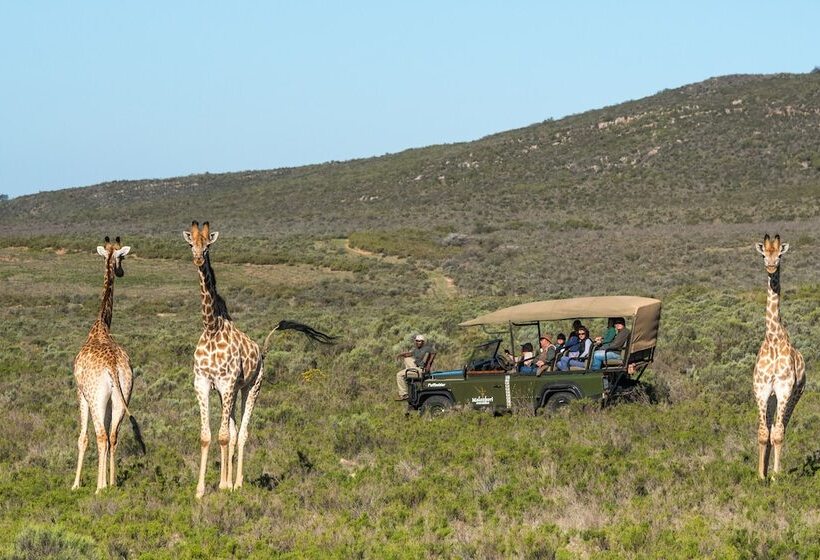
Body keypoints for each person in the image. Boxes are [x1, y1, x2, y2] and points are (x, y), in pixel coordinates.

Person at [395, 334, 433, 401]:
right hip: (417, 367)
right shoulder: (418, 349)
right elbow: (409, 354)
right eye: (417, 341)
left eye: (420, 341)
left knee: (399, 375)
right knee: (407, 358)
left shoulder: (426, 349)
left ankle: (404, 394)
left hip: (420, 370)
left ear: (423, 342)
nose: (418, 342)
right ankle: (409, 374)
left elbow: (433, 353)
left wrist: (429, 364)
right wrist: (400, 355)